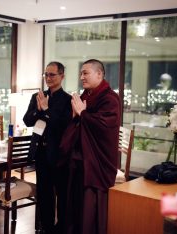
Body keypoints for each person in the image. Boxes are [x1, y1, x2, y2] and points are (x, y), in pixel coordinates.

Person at [59, 59, 121, 234]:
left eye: (85, 73)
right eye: (81, 73)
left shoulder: (110, 98)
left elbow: (104, 126)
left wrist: (83, 114)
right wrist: (76, 116)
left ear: (99, 74)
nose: (81, 77)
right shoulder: (85, 95)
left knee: (90, 209)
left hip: (96, 162)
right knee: (75, 205)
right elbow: (77, 122)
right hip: (79, 159)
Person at [23, 61, 72, 234]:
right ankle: (46, 228)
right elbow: (27, 120)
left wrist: (46, 109)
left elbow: (63, 126)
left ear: (62, 76)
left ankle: (62, 228)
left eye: (52, 74)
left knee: (61, 194)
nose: (48, 78)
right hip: (41, 152)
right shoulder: (38, 96)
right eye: (46, 74)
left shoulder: (68, 100)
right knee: (44, 194)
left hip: (59, 154)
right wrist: (38, 109)